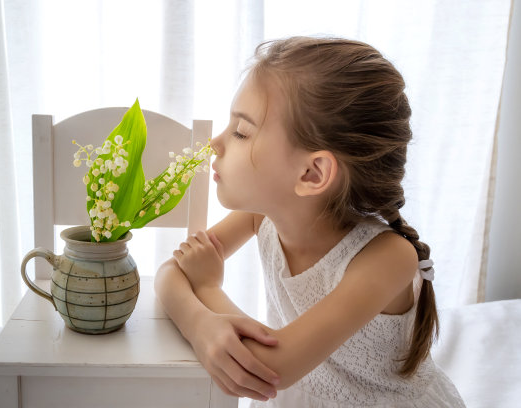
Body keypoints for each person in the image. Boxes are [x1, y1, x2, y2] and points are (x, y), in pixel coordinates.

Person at [154, 36, 466, 407]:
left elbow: (269, 367)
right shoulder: (260, 216)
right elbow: (172, 272)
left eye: (241, 132)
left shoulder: (388, 258)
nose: (214, 144)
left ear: (312, 173)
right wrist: (200, 325)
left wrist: (207, 290)